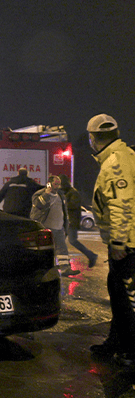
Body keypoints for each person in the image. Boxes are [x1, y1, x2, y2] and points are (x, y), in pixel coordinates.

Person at [85, 114, 135, 367]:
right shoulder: (121, 156)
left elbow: (121, 204)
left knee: (126, 301)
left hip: (128, 246)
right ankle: (116, 342)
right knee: (118, 295)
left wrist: (118, 242)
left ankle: (128, 350)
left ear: (92, 139)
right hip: (129, 242)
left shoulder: (115, 162)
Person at [31, 175, 80, 276]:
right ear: (49, 183)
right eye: (55, 184)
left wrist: (65, 225)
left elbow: (64, 211)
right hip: (46, 227)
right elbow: (39, 205)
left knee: (62, 249)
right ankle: (42, 269)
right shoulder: (40, 194)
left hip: (59, 228)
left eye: (59, 184)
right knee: (45, 249)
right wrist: (46, 193)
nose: (58, 186)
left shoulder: (61, 195)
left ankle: (65, 269)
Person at [59, 173, 98, 268]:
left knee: (71, 241)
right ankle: (63, 264)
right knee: (60, 243)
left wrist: (62, 203)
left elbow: (73, 205)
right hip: (65, 222)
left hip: (71, 222)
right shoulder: (65, 193)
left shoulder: (73, 193)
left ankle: (91, 255)